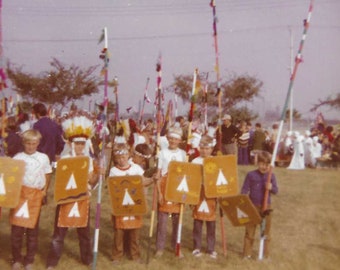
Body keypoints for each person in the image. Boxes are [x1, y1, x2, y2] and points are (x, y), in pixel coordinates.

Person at [46, 114, 99, 269]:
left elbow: (91, 181)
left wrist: (97, 173)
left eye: (83, 144)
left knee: (84, 233)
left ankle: (87, 259)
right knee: (59, 233)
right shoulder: (65, 160)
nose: (80, 147)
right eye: (77, 144)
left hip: (83, 199)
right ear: (71, 144)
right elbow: (61, 181)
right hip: (66, 199)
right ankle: (52, 261)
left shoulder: (88, 160)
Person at [11, 129, 52, 270]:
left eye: (33, 143)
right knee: (17, 230)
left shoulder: (43, 158)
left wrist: (44, 191)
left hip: (35, 196)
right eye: (28, 143)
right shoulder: (17, 158)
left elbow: (48, 173)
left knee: (32, 231)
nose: (30, 146)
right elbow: (11, 177)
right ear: (23, 143)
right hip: (20, 196)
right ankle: (16, 259)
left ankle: (29, 260)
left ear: (38, 143)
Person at [109, 143, 152, 264]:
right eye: (118, 158)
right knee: (119, 231)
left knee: (134, 232)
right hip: (121, 204)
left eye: (123, 157)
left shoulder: (136, 169)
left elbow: (142, 182)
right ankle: (117, 255)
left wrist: (153, 179)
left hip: (135, 204)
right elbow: (113, 188)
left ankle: (135, 255)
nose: (121, 160)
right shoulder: (114, 171)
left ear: (128, 155)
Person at [154, 125, 186, 257]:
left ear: (179, 141)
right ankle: (159, 248)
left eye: (175, 139)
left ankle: (176, 246)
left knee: (177, 220)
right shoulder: (162, 153)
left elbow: (186, 173)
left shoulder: (183, 154)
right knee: (162, 221)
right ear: (167, 139)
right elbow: (158, 175)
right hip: (164, 187)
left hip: (178, 188)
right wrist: (160, 194)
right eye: (171, 139)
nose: (173, 141)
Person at [241, 150, 278, 259]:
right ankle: (247, 254)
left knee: (266, 232)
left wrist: (271, 188)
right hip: (252, 206)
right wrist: (245, 202)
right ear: (258, 163)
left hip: (266, 207)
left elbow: (276, 191)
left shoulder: (271, 176)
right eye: (262, 164)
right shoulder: (251, 175)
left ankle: (265, 255)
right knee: (249, 232)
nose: (264, 167)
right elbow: (244, 190)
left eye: (267, 164)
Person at [191, 135, 217, 259]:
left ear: (211, 149)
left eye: (207, 149)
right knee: (198, 220)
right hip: (199, 191)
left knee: (211, 221)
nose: (204, 151)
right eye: (202, 148)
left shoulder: (215, 160)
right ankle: (197, 247)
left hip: (211, 192)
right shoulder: (195, 161)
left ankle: (211, 248)